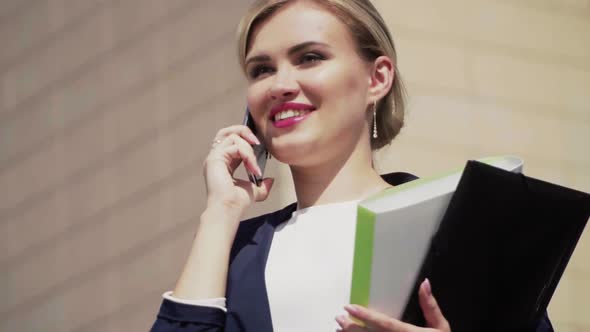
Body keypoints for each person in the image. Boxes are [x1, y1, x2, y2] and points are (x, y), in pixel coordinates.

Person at [150, 0, 554, 331]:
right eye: (262, 70)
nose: (279, 85)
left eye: (309, 57)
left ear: (377, 78)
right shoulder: (234, 251)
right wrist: (220, 213)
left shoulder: (461, 226)